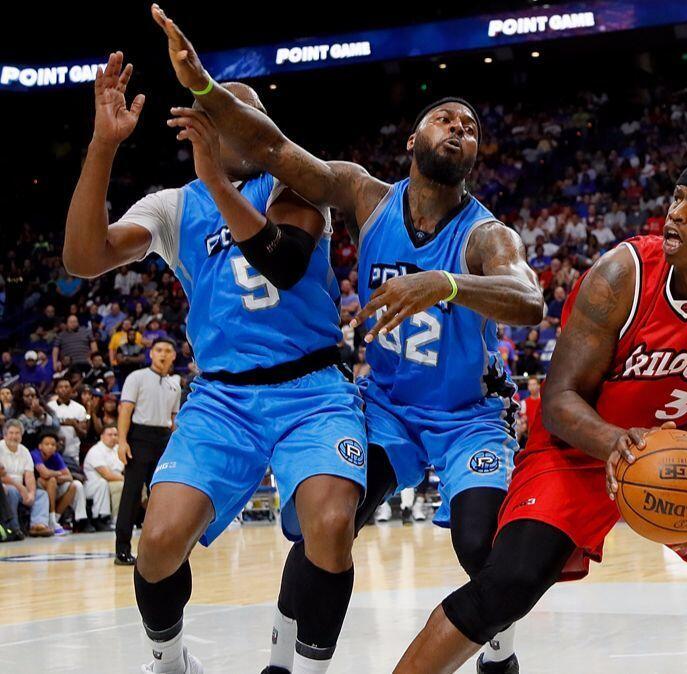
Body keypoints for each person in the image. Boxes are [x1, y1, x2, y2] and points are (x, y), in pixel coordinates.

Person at [152, 13, 546, 674]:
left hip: (464, 420)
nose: (459, 127)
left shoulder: (486, 237)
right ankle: (283, 659)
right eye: (446, 118)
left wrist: (446, 283)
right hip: (387, 408)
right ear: (413, 138)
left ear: (474, 158)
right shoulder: (367, 195)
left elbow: (530, 303)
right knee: (322, 526)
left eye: (471, 128)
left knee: (483, 546)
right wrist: (203, 89)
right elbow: (278, 153)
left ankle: (496, 649)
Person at [393, 160, 687, 674]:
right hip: (582, 446)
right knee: (508, 583)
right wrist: (616, 445)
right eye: (677, 198)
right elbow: (559, 399)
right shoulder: (623, 272)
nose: (675, 213)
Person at [64, 43, 367, 674]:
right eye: (227, 114)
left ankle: (305, 668)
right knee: (158, 544)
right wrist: (102, 145)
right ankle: (170, 660)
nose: (246, 128)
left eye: (251, 117)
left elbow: (282, 262)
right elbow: (84, 258)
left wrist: (216, 182)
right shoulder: (173, 205)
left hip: (312, 388)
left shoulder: (301, 181)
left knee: (332, 527)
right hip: (223, 398)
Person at [113, 339, 181, 565]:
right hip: (139, 437)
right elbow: (125, 410)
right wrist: (122, 442)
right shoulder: (137, 377)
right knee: (131, 494)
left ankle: (159, 549)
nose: (163, 354)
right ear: (151, 354)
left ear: (174, 356)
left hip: (164, 438)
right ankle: (122, 549)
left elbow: (174, 420)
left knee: (162, 495)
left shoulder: (175, 384)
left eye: (168, 351)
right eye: (159, 350)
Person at [1, 420, 52, 537]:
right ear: (5, 435)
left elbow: (29, 475)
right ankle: (13, 528)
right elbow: (2, 476)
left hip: (20, 487)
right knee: (12, 492)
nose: (14, 436)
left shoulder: (24, 451)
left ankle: (38, 525)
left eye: (17, 433)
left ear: (21, 435)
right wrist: (22, 489)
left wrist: (31, 494)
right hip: (5, 487)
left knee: (41, 494)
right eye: (11, 433)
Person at [31, 431, 86, 535]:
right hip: (36, 486)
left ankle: (56, 518)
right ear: (40, 446)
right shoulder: (35, 454)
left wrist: (54, 476)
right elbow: (44, 474)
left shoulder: (56, 456)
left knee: (74, 485)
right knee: (51, 480)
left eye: (53, 445)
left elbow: (69, 477)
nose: (50, 447)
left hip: (53, 485)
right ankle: (51, 518)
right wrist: (58, 473)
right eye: (47, 444)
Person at [83, 424, 124, 531]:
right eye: (109, 435)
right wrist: (126, 479)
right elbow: (107, 475)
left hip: (112, 480)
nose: (113, 437)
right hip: (93, 485)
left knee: (140, 486)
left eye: (115, 435)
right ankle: (113, 519)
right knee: (119, 485)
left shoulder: (118, 449)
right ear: (102, 436)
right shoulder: (95, 451)